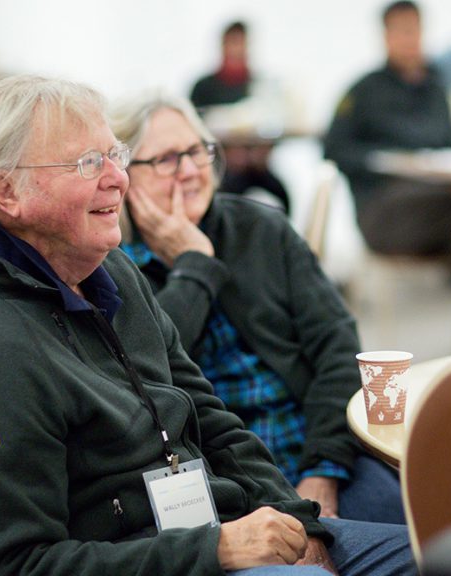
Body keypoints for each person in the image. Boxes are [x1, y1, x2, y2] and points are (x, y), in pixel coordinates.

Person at [0, 74, 415, 576]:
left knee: (448, 552)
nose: (117, 178)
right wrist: (215, 549)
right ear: (7, 192)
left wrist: (296, 519)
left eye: (116, 155)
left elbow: (211, 417)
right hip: (172, 556)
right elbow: (20, 565)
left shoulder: (111, 274)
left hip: (223, 524)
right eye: (88, 163)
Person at [112, 92, 405, 525]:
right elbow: (143, 370)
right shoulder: (112, 269)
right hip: (217, 484)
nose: (191, 170)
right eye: (167, 159)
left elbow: (337, 350)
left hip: (310, 450)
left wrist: (324, 468)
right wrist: (196, 265)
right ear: (123, 175)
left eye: (198, 151)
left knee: (416, 527)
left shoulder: (260, 229)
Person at [323, 0, 451, 334]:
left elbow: (450, 143)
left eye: (414, 30)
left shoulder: (437, 86)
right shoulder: (365, 91)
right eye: (400, 31)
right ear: (385, 36)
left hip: (441, 203)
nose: (409, 39)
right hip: (386, 211)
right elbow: (334, 149)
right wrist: (381, 161)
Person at [190, 21, 291, 214]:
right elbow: (193, 131)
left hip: (256, 165)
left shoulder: (260, 85)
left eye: (241, 44)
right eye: (232, 43)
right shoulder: (204, 87)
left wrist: (260, 154)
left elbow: (272, 124)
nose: (237, 50)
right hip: (220, 167)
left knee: (282, 193)